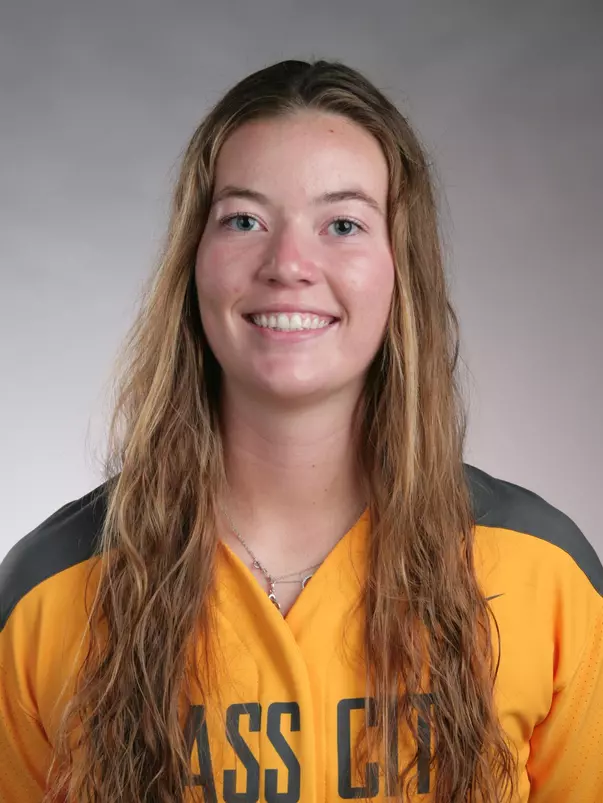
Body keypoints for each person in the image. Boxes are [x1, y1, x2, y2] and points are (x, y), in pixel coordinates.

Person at [0, 58, 601, 803]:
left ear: (400, 268)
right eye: (244, 220)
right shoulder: (51, 592)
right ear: (193, 261)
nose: (288, 265)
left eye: (342, 224)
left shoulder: (544, 574)